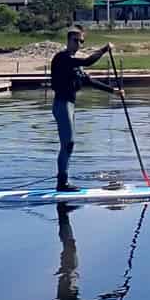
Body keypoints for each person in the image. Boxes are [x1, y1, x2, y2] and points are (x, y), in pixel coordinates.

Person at [49, 26, 120, 191]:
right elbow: (88, 61)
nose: (78, 44)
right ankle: (62, 183)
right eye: (76, 40)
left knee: (69, 144)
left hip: (70, 105)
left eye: (81, 41)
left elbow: (89, 81)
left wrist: (113, 91)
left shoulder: (74, 63)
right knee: (69, 143)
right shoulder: (62, 58)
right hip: (62, 104)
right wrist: (104, 49)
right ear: (68, 41)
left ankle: (63, 181)